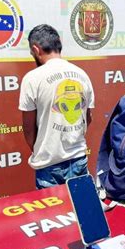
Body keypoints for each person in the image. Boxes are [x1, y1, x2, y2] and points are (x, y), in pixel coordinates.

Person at [19, 24, 95, 189]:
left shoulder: (32, 78)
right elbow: (87, 118)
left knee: (55, 214)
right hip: (79, 158)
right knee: (82, 212)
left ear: (36, 49)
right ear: (59, 43)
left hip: (48, 163)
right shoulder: (82, 74)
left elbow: (28, 128)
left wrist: (42, 147)